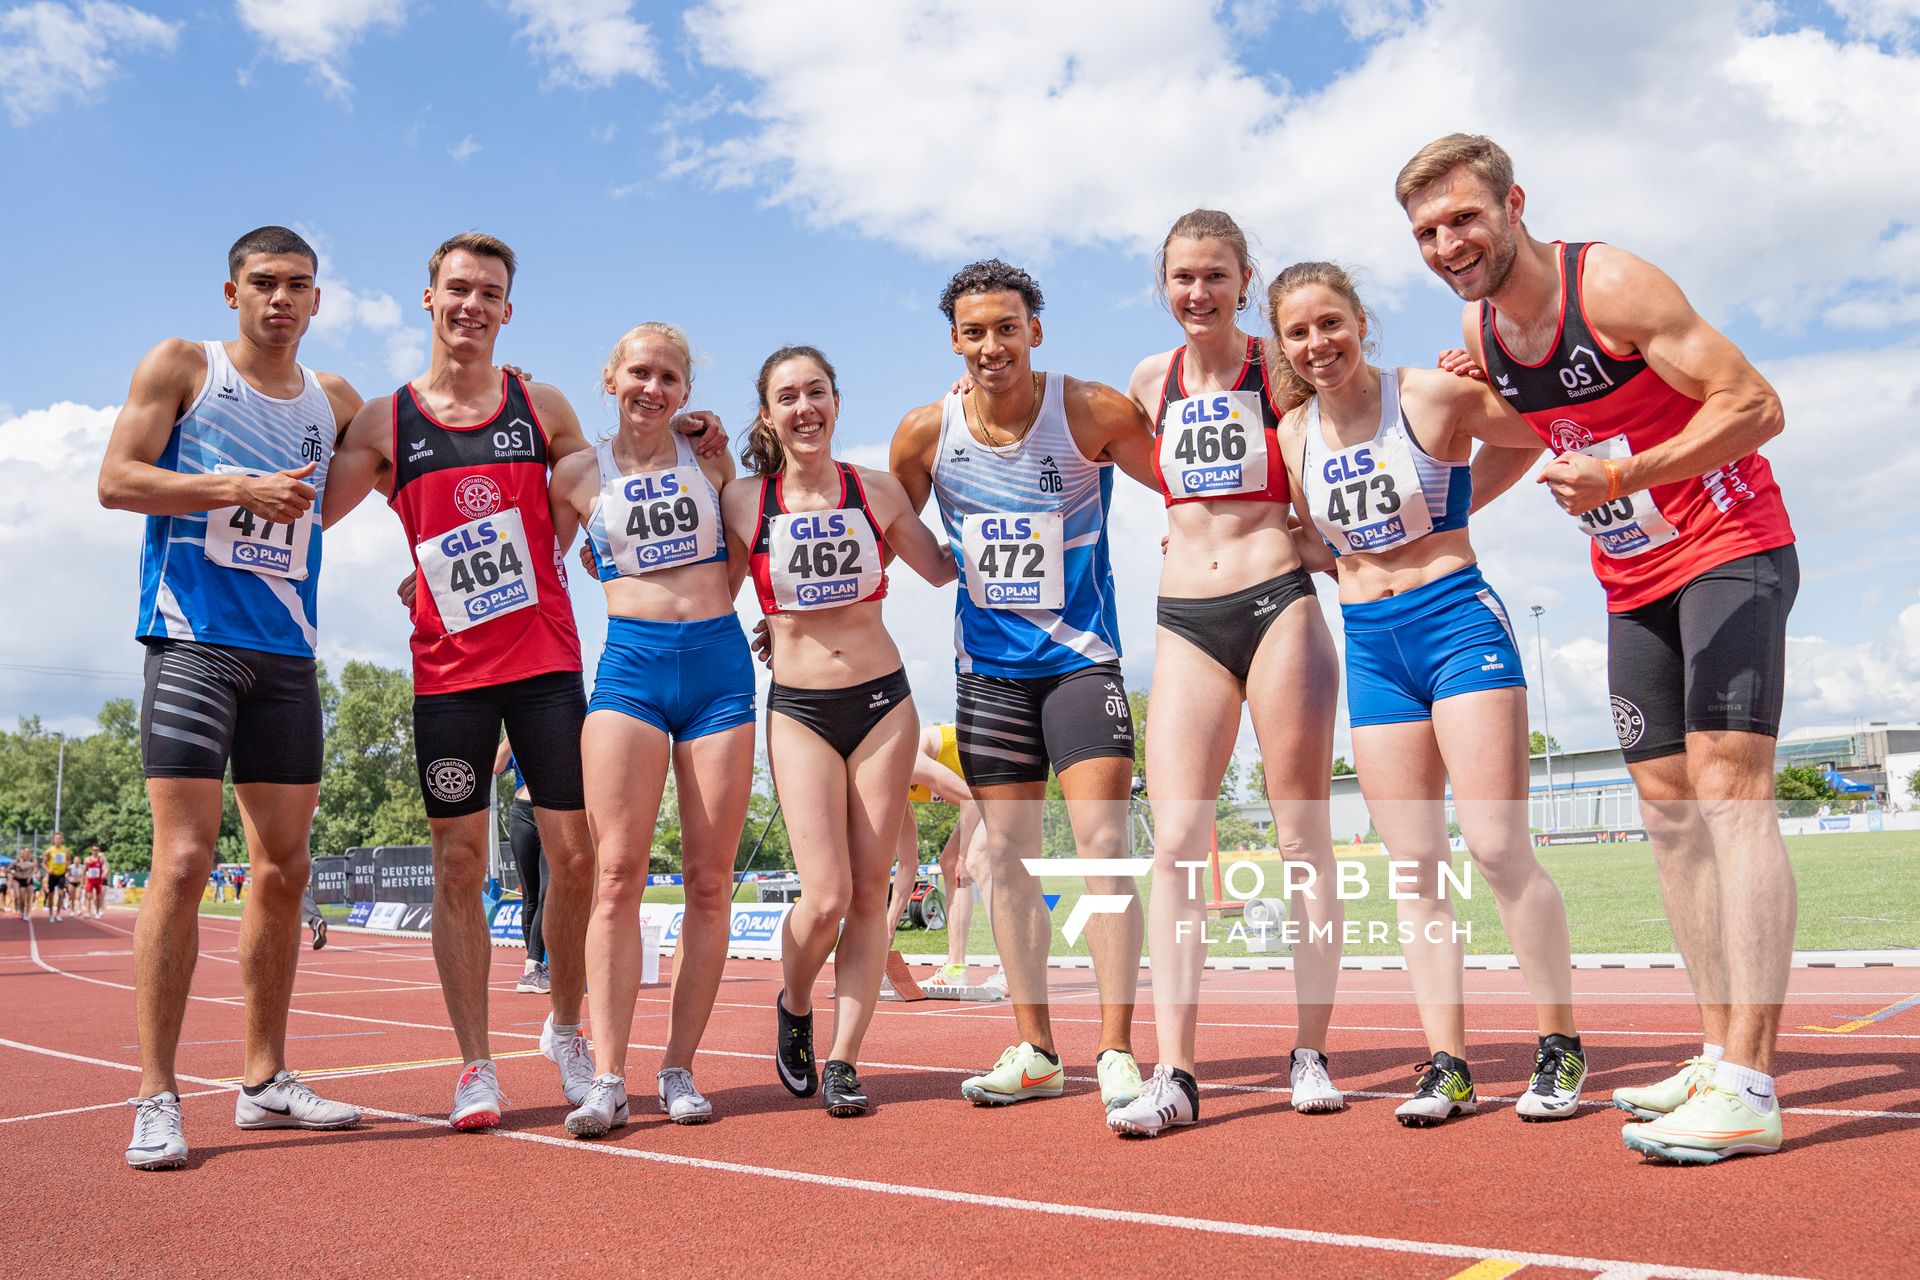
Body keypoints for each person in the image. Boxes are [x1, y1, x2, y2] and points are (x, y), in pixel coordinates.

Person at [1398, 134, 1798, 1162]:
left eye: (1464, 219)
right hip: (1632, 579)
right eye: (1428, 231)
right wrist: (1418, 525)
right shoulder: (1479, 331)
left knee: (1727, 784)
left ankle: (1752, 1081)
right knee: (1668, 811)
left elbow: (1756, 404)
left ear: (1513, 203)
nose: (1449, 243)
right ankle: (1716, 1053)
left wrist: (1629, 475)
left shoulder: (1607, 284)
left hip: (1731, 547)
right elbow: (1524, 438)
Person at [1268, 259, 1585, 1127]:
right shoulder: (1293, 433)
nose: (1317, 343)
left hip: (1457, 623)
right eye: (1298, 332)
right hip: (1371, 643)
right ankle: (1448, 1064)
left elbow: (1533, 432)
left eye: (1330, 323)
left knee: (1493, 845)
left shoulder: (1430, 397)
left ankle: (1558, 1046)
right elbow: (1316, 539)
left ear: (1361, 321)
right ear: (1284, 347)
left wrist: (1456, 503)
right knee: (1413, 867)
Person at [96, 225, 365, 1170]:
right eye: (263, 283)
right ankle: (156, 1095)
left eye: (298, 285)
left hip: (287, 655)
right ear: (231, 292)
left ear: (318, 300)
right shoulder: (184, 364)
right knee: (182, 861)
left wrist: (512, 396)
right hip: (193, 644)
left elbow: (418, 455)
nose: (280, 300)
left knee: (284, 870)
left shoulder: (334, 402)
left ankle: (263, 1082)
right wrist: (231, 483)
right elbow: (116, 479)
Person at [325, 232, 604, 1131]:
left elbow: (592, 484)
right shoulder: (384, 422)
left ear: (508, 311)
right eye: (458, 289)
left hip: (547, 663)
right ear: (428, 297)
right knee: (457, 863)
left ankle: (564, 1029)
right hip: (448, 676)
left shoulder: (542, 403)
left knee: (574, 856)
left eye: (489, 293)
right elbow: (315, 508)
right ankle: (475, 1064)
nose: (472, 305)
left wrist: (544, 554)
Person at [890, 260, 1158, 1120]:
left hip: (1081, 662)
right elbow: (882, 528)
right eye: (975, 331)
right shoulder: (926, 434)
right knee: (1000, 859)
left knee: (1101, 844)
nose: (992, 345)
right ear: (954, 341)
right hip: (990, 676)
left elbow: (1191, 481)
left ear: (1034, 329)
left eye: (1007, 327)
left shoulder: (1091, 411)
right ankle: (1037, 1048)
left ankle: (1116, 1050)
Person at [1103, 212, 1348, 1137]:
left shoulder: (1277, 369)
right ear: (1162, 286)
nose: (1197, 292)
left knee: (1302, 842)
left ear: (1246, 280)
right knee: (1174, 846)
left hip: (1277, 604)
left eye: (1214, 275)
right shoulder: (1147, 381)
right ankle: (1176, 1072)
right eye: (1181, 278)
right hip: (1184, 623)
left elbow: (1352, 420)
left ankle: (1310, 1048)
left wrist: (1320, 542)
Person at [725, 344, 955, 1117]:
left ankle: (845, 1060)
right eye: (787, 397)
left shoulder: (878, 490)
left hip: (884, 703)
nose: (804, 408)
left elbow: (944, 568)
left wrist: (977, 431)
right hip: (799, 708)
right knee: (822, 895)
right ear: (768, 415)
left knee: (868, 892)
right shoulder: (744, 501)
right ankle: (794, 1005)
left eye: (815, 392)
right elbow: (704, 588)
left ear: (835, 400)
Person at [548, 322, 755, 1137]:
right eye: (639, 372)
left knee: (709, 881)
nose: (653, 388)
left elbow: (748, 553)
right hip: (628, 667)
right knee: (616, 875)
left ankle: (678, 1067)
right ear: (609, 377)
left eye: (670, 377)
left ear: (686, 390)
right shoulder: (576, 473)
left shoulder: (711, 460)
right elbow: (535, 560)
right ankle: (606, 1076)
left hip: (717, 668)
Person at [895, 723, 998, 989]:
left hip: (1001, 774)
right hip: (979, 794)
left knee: (975, 861)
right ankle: (955, 967)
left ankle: (1012, 966)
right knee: (949, 863)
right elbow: (907, 864)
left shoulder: (907, 761)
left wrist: (965, 855)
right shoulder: (893, 793)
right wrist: (889, 926)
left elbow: (971, 801)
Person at [492, 738, 549, 994]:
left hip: (554, 811)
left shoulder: (559, 722)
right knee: (530, 896)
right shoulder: (517, 734)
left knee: (549, 891)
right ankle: (533, 969)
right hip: (522, 813)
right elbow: (495, 765)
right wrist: (514, 731)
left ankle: (535, 966)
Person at [43, 834, 70, 922]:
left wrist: (67, 866)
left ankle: (58, 914)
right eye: (56, 838)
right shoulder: (49, 850)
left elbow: (69, 860)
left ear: (62, 840)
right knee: (50, 895)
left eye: (60, 838)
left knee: (61, 894)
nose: (58, 840)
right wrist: (48, 870)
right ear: (53, 840)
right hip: (52, 875)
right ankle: (51, 914)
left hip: (61, 874)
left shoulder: (65, 850)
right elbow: (43, 863)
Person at [10, 850, 36, 921]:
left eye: (28, 852)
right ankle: (22, 911)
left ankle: (27, 914)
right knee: (21, 898)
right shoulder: (17, 862)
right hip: (22, 881)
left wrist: (30, 877)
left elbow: (33, 870)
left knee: (28, 898)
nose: (26, 854)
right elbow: (12, 869)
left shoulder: (32, 861)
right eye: (25, 853)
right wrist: (14, 872)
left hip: (29, 881)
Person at [83, 847, 109, 920]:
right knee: (89, 897)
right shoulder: (87, 860)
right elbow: (84, 870)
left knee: (98, 898)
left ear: (98, 851)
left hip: (98, 881)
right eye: (94, 850)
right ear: (91, 851)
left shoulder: (101, 860)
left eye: (96, 850)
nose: (95, 851)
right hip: (90, 881)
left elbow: (106, 869)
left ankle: (97, 912)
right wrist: (84, 879)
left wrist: (103, 876)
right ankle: (88, 912)